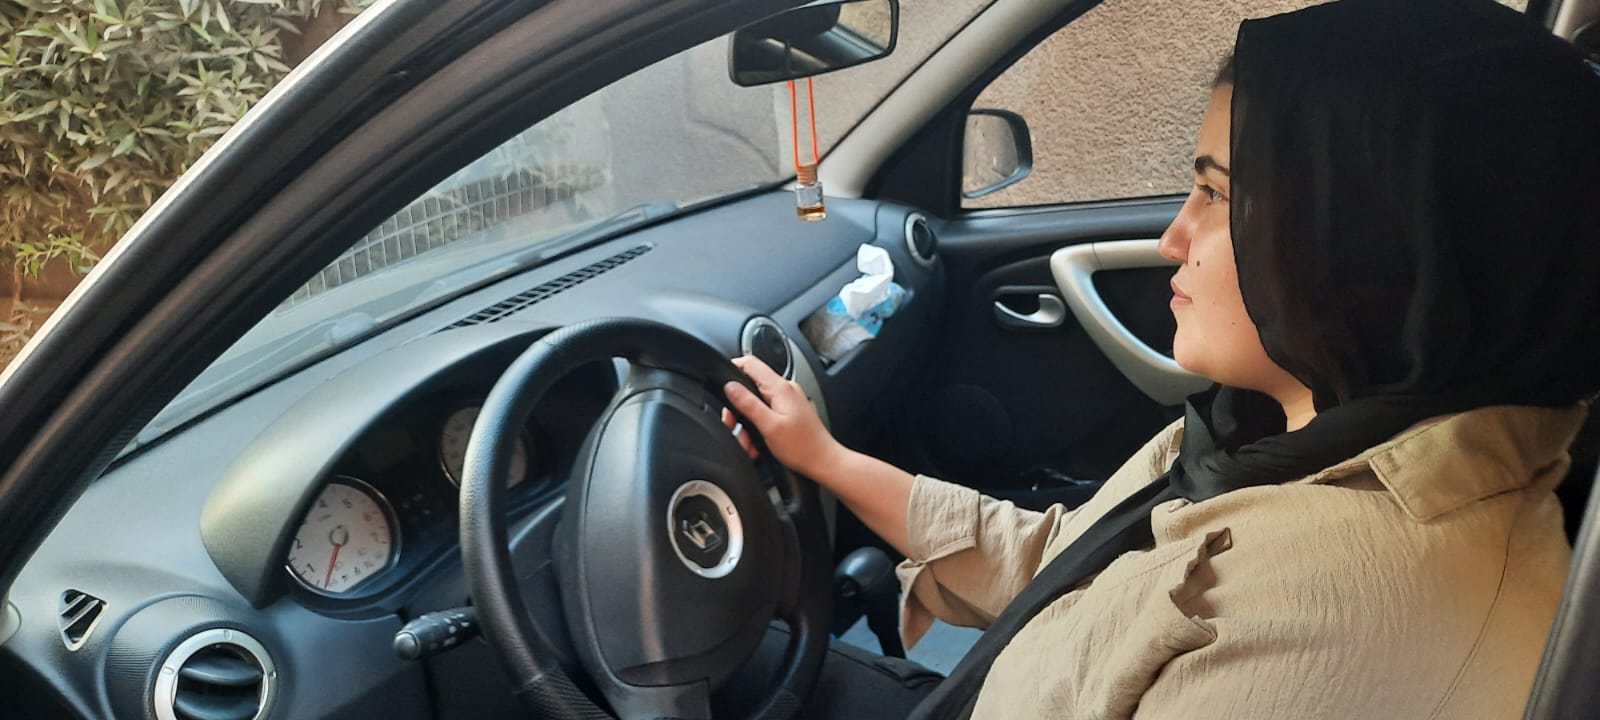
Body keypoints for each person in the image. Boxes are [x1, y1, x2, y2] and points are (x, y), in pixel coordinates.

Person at [720, 0, 1600, 717]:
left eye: (1217, 193)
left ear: (1369, 243)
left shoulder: (1339, 630)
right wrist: (823, 458)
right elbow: (1059, 563)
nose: (1175, 236)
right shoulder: (1263, 428)